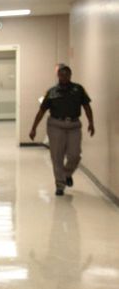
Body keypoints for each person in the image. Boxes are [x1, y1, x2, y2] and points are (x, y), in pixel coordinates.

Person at [29, 65, 94, 196]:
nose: (64, 77)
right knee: (57, 156)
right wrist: (33, 128)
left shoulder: (78, 89)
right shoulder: (51, 92)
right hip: (56, 125)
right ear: (58, 76)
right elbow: (41, 111)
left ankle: (66, 174)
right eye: (62, 75)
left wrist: (91, 122)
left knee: (75, 155)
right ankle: (60, 185)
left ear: (71, 75)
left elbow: (87, 106)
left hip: (74, 125)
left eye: (67, 75)